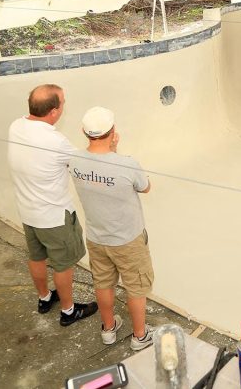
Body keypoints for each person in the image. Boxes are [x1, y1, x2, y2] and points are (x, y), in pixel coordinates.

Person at [7, 84, 98, 326]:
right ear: (55, 112)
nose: (64, 105)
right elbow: (84, 165)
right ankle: (69, 311)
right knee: (62, 264)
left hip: (27, 213)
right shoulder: (55, 141)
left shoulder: (16, 126)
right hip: (54, 218)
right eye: (63, 102)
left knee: (36, 257)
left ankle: (45, 298)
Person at [69, 107, 155, 350]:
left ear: (84, 132)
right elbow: (146, 187)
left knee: (103, 282)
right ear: (113, 132)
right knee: (136, 286)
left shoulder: (74, 160)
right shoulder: (127, 164)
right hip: (128, 239)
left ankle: (108, 328)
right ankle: (140, 336)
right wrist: (115, 153)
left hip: (97, 238)